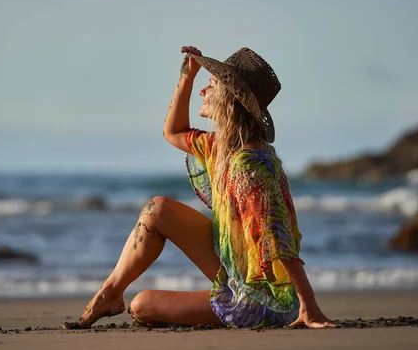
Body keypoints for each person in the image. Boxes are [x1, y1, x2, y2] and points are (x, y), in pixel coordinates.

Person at [71, 46, 337, 329]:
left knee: (142, 306)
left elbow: (276, 237)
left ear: (228, 98)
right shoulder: (221, 148)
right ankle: (111, 292)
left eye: (210, 84)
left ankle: (272, 308)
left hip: (261, 301)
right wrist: (187, 77)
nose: (202, 91)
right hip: (239, 272)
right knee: (157, 209)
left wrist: (309, 306)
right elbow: (172, 132)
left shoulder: (249, 165)